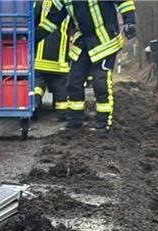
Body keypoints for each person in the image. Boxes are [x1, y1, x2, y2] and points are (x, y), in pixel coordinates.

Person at [35, 0, 136, 132]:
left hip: (105, 42)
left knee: (100, 82)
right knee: (74, 81)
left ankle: (103, 124)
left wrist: (130, 22)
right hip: (83, 42)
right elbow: (51, 21)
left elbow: (124, 2)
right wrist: (33, 37)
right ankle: (74, 123)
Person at [34, 0, 71, 121]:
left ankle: (35, 104)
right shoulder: (68, 5)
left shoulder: (40, 3)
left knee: (38, 84)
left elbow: (34, 24)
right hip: (59, 58)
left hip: (40, 58)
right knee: (60, 85)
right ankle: (62, 113)